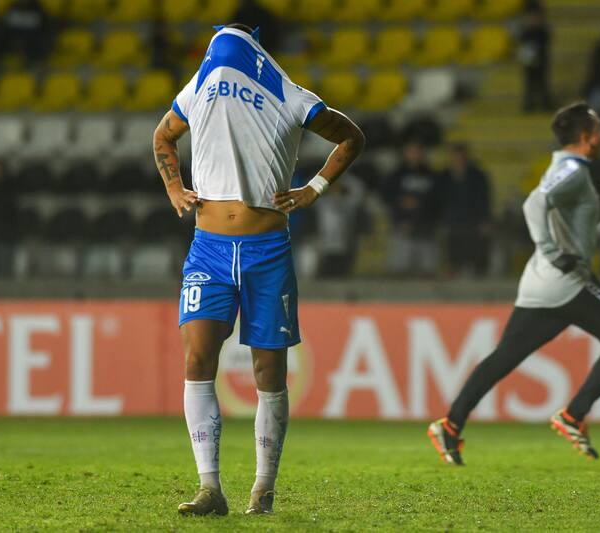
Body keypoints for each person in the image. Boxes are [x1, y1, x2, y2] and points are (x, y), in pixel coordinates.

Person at [152, 23, 364, 516]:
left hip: (266, 248)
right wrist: (173, 188)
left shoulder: (291, 96)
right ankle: (210, 488)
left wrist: (314, 188)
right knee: (197, 358)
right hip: (208, 247)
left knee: (269, 371)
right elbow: (162, 136)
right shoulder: (204, 86)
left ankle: (262, 488)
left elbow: (351, 137)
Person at [428, 102, 600, 465]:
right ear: (586, 137)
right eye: (599, 129)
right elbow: (534, 205)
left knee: (504, 357)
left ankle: (450, 424)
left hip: (541, 284)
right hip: (565, 281)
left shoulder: (570, 169)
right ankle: (574, 414)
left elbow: (574, 225)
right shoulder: (571, 168)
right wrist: (554, 253)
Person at [380, 141, 443, 277]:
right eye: (411, 151)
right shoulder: (396, 175)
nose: (414, 155)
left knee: (427, 273)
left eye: (417, 152)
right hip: (402, 230)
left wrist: (420, 204)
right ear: (405, 154)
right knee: (399, 273)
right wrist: (400, 203)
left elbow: (438, 201)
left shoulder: (431, 175)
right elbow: (386, 197)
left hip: (426, 231)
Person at [441, 144, 492, 277]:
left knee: (477, 259)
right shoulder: (444, 176)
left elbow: (485, 198)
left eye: (461, 157)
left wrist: (485, 220)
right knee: (453, 259)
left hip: (474, 222)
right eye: (456, 158)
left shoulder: (478, 176)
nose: (459, 160)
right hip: (452, 223)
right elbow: (439, 200)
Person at [315, 175, 366, 277]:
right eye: (333, 187)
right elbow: (313, 191)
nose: (335, 190)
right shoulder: (323, 203)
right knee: (326, 273)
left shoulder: (348, 203)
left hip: (343, 243)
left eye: (338, 187)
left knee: (342, 271)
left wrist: (343, 176)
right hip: (326, 244)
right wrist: (326, 178)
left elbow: (359, 191)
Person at [517, 3, 552, 112]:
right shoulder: (525, 31)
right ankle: (529, 104)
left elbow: (546, 42)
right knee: (529, 83)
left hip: (541, 61)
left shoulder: (542, 31)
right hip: (529, 61)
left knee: (542, 83)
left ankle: (546, 103)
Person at [0, 0, 52, 67]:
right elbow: (4, 29)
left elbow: (44, 29)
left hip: (32, 46)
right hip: (12, 43)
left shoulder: (38, 9)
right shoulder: (12, 8)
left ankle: (34, 64)